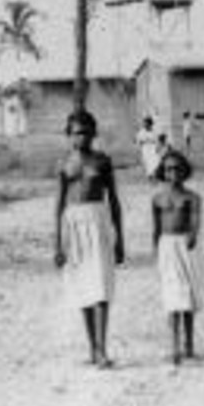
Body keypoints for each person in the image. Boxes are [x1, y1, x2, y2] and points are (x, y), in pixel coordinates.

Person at [55, 110, 126, 368]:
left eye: (86, 132)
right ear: (69, 135)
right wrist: (57, 244)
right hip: (73, 225)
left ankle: (102, 349)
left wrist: (120, 239)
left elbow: (114, 201)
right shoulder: (65, 163)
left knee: (101, 285)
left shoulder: (102, 161)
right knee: (81, 287)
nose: (81, 137)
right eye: (76, 132)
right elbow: (59, 205)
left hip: (97, 223)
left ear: (94, 133)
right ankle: (92, 349)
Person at [152, 149, 204, 365]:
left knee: (187, 297)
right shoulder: (157, 199)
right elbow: (156, 229)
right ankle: (174, 345)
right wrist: (156, 251)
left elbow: (195, 221)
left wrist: (192, 236)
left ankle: (189, 343)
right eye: (168, 169)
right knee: (172, 297)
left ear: (184, 171)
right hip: (167, 247)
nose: (172, 172)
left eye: (176, 168)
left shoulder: (192, 197)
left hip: (185, 247)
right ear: (162, 172)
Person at [136, 116, 163, 181]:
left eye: (147, 123)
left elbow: (157, 140)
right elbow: (139, 141)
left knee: (155, 160)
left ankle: (155, 174)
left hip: (153, 148)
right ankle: (149, 175)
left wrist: (157, 147)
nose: (145, 125)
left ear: (150, 124)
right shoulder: (141, 132)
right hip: (145, 148)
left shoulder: (154, 131)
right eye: (144, 123)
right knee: (147, 162)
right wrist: (140, 147)